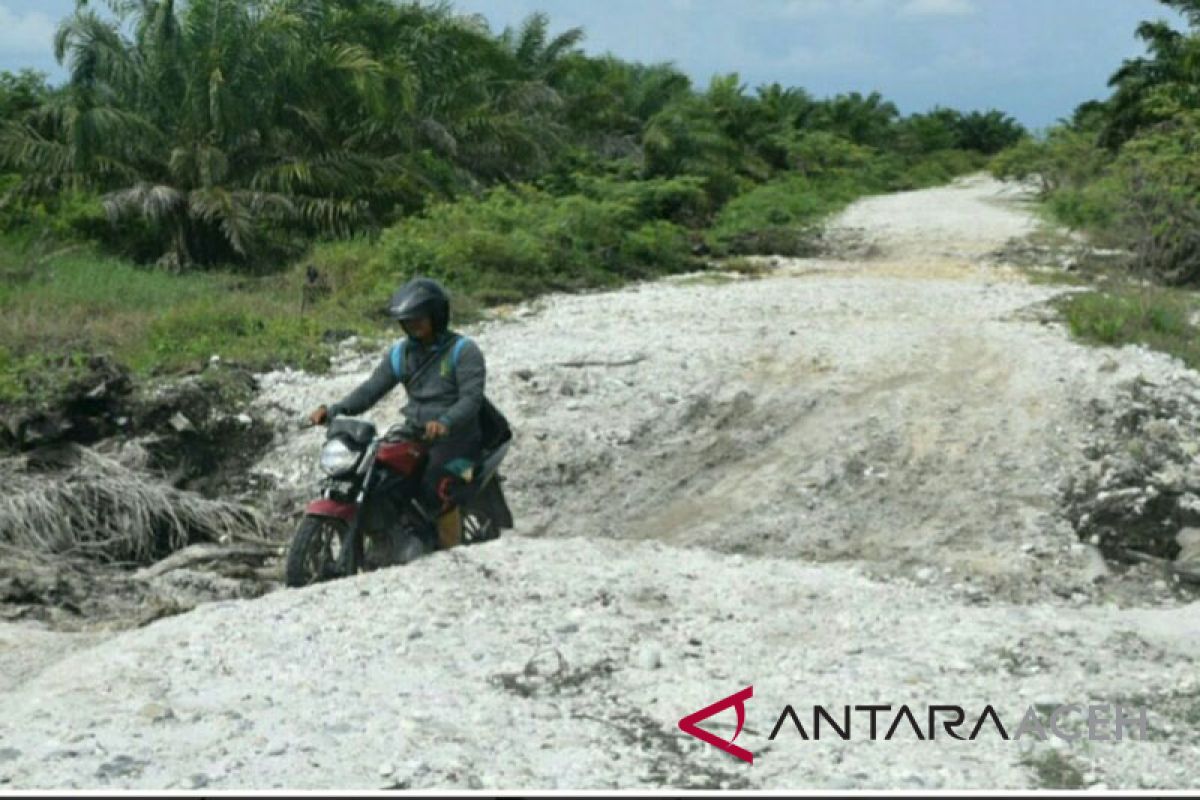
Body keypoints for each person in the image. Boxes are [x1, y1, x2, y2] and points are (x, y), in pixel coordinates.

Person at [308, 277, 485, 550]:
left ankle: (451, 551)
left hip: (458, 438)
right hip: (417, 431)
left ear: (436, 316)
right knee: (378, 473)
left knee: (435, 486)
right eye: (407, 320)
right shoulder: (401, 353)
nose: (412, 325)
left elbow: (471, 400)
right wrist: (335, 410)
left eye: (418, 319)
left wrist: (445, 422)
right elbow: (371, 389)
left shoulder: (463, 351)